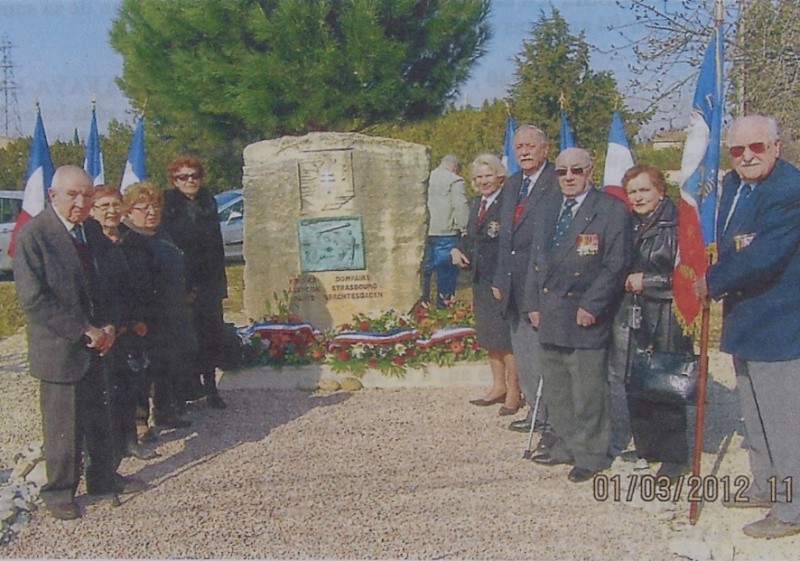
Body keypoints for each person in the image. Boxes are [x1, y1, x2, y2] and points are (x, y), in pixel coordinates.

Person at [13, 165, 146, 520]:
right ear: (53, 195)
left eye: (87, 195)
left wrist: (111, 325)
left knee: (100, 417)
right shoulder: (34, 236)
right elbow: (34, 299)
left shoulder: (92, 231)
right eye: (73, 194)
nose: (81, 202)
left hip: (100, 345)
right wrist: (84, 330)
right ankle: (59, 492)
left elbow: (111, 282)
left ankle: (103, 479)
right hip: (61, 348)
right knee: (63, 427)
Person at [694, 114, 800, 539]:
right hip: (747, 320)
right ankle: (765, 485)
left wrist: (713, 281)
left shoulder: (789, 191)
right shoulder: (736, 186)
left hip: (781, 322)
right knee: (754, 417)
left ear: (776, 146)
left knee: (784, 422)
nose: (747, 156)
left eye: (757, 147)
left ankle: (791, 509)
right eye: (737, 150)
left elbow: (764, 255)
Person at [523, 147, 632, 483]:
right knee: (557, 387)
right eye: (562, 171)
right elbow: (535, 261)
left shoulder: (611, 210)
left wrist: (592, 306)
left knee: (588, 389)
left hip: (585, 311)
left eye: (576, 170)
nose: (569, 177)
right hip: (550, 311)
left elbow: (617, 265)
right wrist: (531, 304)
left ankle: (592, 454)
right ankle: (567, 445)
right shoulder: (547, 208)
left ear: (590, 171)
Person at [607, 165, 692, 481]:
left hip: (665, 316)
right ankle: (647, 447)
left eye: (644, 190)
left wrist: (652, 281)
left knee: (665, 386)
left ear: (660, 190)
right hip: (630, 314)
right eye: (632, 191)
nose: (638, 197)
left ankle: (674, 457)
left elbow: (690, 275)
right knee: (634, 382)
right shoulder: (627, 223)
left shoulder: (679, 224)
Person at [491, 124, 559, 441]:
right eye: (519, 147)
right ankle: (535, 409)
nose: (524, 151)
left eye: (531, 145)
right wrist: (499, 276)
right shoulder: (513, 183)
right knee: (524, 351)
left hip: (542, 283)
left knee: (543, 351)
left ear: (545, 149)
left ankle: (552, 417)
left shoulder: (558, 181)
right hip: (512, 283)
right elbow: (505, 236)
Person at [90, 185, 159, 461]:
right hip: (104, 328)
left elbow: (141, 284)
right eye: (104, 206)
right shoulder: (90, 245)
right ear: (93, 211)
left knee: (131, 383)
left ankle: (130, 439)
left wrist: (137, 320)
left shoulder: (130, 242)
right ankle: (106, 447)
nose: (111, 211)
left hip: (131, 325)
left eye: (115, 205)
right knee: (106, 389)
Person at [120, 182, 196, 431]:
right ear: (129, 211)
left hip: (170, 313)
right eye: (143, 208)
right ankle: (139, 421)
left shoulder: (162, 233)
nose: (151, 212)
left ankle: (165, 411)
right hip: (144, 317)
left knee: (167, 365)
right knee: (143, 371)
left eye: (155, 207)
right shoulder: (127, 240)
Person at [451, 154, 521, 415]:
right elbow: (471, 237)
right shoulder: (476, 203)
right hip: (480, 279)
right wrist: (458, 250)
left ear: (500, 176)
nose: (483, 181)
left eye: (488, 176)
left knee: (506, 338)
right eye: (478, 177)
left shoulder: (508, 203)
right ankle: (497, 386)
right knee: (490, 336)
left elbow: (510, 243)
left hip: (501, 279)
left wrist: (503, 277)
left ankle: (514, 391)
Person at [161, 155, 228, 409]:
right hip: (183, 282)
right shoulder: (168, 204)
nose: (190, 181)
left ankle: (211, 388)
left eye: (194, 176)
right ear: (174, 180)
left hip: (209, 281)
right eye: (183, 177)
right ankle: (182, 394)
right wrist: (184, 287)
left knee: (211, 336)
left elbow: (215, 247)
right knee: (184, 341)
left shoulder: (208, 202)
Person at [423, 154, 469, 308]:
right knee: (446, 276)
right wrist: (465, 228)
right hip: (447, 234)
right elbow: (460, 205)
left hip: (425, 233)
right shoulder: (455, 180)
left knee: (423, 273)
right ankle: (444, 311)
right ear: (456, 168)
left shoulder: (426, 177)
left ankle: (421, 308)